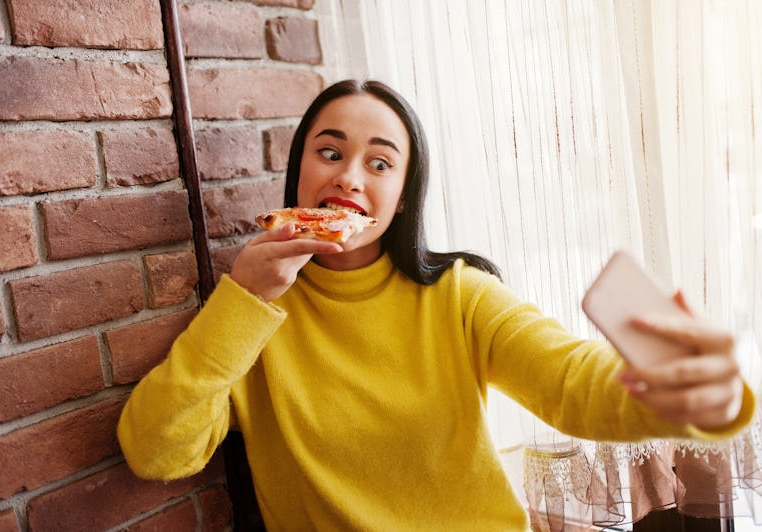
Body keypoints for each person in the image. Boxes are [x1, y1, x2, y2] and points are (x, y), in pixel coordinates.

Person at [117, 79, 754, 531]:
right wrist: (245, 299)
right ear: (300, 174)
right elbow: (156, 452)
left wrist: (697, 395)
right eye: (330, 153)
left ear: (401, 198)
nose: (350, 177)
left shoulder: (458, 292)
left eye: (380, 163)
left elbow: (568, 381)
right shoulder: (251, 313)